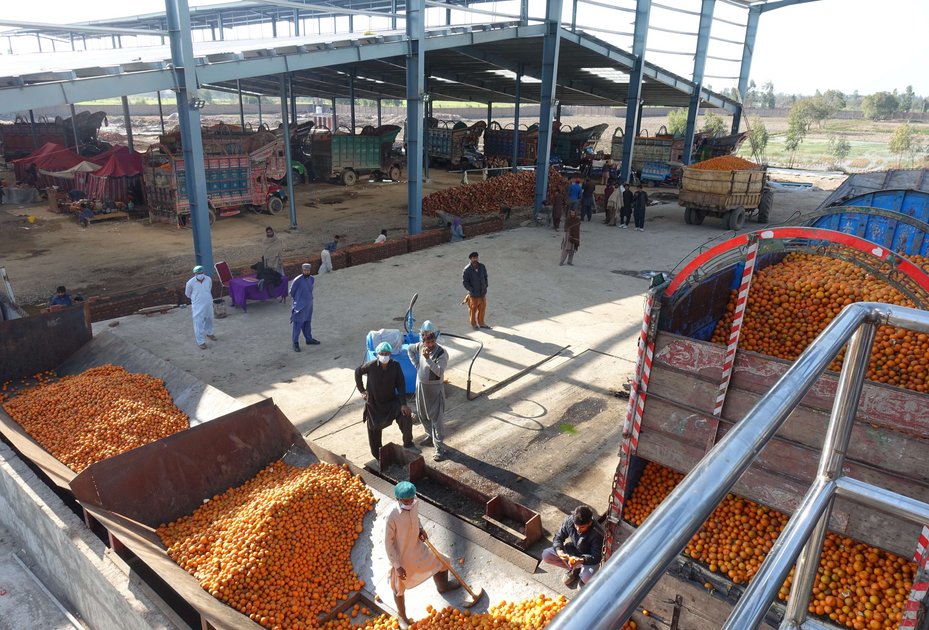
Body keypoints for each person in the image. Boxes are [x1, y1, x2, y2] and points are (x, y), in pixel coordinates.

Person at [385, 481, 461, 628]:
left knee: (442, 561)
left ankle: (443, 586)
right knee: (398, 586)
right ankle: (402, 616)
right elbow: (389, 543)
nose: (409, 503)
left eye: (411, 499)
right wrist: (397, 566)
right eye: (405, 501)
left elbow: (416, 519)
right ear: (398, 499)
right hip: (402, 556)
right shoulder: (392, 516)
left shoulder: (414, 504)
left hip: (417, 548)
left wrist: (420, 529)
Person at [355, 342, 414, 459]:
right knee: (374, 431)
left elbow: (401, 385)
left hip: (390, 403)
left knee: (406, 415)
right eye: (382, 354)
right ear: (377, 355)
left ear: (390, 354)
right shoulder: (371, 366)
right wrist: (362, 390)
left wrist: (403, 404)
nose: (384, 356)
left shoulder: (395, 365)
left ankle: (408, 443)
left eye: (387, 353)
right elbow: (357, 372)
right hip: (374, 405)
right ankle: (378, 456)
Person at [407, 321, 449, 461]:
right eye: (427, 342)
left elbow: (439, 372)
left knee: (436, 420)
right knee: (422, 414)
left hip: (434, 390)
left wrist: (427, 360)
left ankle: (440, 448)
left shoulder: (441, 353)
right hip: (421, 388)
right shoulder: (420, 347)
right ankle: (430, 437)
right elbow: (409, 349)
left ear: (435, 340)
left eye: (432, 341)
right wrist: (417, 365)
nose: (430, 345)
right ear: (423, 341)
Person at [541, 505, 603, 589]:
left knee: (587, 578)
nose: (578, 529)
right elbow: (558, 537)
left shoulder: (597, 533)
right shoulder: (569, 520)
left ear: (590, 523)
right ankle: (575, 570)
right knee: (546, 555)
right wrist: (559, 550)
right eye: (576, 525)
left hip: (589, 558)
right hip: (573, 550)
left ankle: (582, 579)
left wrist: (581, 560)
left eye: (582, 527)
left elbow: (597, 557)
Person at [184, 266, 216, 350]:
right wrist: (196, 299)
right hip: (197, 305)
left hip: (208, 303)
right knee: (198, 323)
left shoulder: (208, 279)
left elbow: (209, 289)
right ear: (195, 274)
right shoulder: (190, 283)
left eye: (201, 273)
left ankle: (210, 333)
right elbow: (188, 294)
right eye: (198, 273)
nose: (200, 275)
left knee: (209, 319)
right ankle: (201, 342)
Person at [290, 263, 319, 351]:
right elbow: (292, 291)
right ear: (302, 270)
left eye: (308, 270)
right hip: (300, 306)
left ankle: (309, 339)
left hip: (309, 305)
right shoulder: (297, 280)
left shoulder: (312, 279)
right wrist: (298, 300)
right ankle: (295, 343)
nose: (306, 272)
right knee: (298, 325)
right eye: (305, 270)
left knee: (307, 323)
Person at [462, 252, 489, 330]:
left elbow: (485, 276)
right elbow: (465, 282)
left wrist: (485, 285)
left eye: (476, 258)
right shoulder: (467, 270)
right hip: (474, 295)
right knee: (473, 310)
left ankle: (481, 323)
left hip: (482, 293)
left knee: (482, 308)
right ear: (470, 259)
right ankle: (474, 324)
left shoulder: (482, 266)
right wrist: (471, 290)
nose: (475, 259)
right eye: (473, 258)